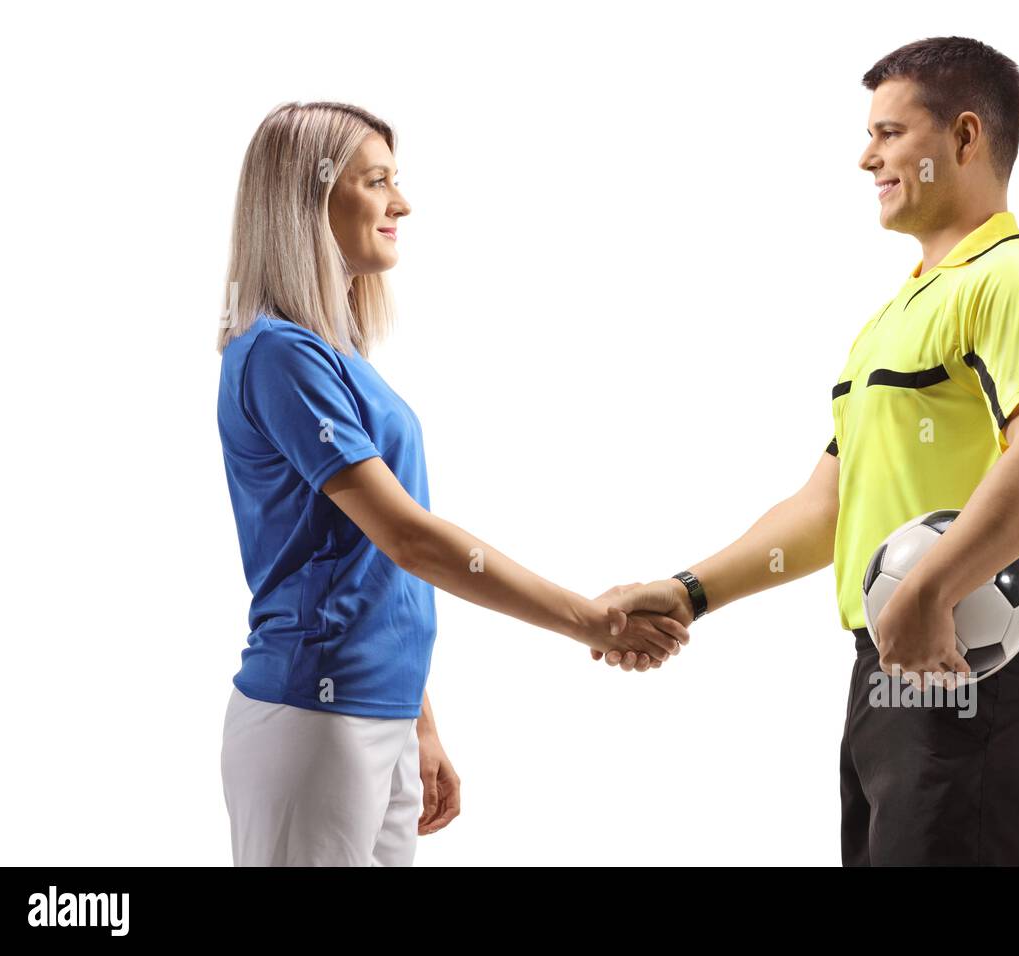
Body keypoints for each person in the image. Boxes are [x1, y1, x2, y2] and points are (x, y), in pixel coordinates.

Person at [597, 37, 1019, 866]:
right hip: (893, 661)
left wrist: (931, 589)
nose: (866, 156)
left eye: (890, 132)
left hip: (975, 666)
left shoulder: (1013, 281)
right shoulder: (895, 317)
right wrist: (689, 593)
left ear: (965, 139)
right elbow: (828, 505)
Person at [215, 101, 689, 867]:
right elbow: (408, 538)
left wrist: (418, 721)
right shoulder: (278, 355)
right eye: (377, 182)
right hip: (313, 718)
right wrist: (592, 623)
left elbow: (367, 562)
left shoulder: (336, 358)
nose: (400, 203)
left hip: (377, 718)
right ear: (310, 196)